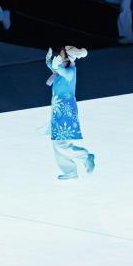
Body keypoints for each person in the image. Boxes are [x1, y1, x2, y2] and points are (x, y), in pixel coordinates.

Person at [46, 46, 95, 180]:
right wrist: (49, 60)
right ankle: (70, 171)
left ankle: (85, 156)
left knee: (61, 145)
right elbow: (55, 68)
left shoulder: (70, 72)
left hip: (65, 111)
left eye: (62, 55)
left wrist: (56, 66)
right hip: (58, 111)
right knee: (57, 144)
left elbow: (62, 71)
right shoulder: (60, 70)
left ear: (69, 59)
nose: (59, 57)